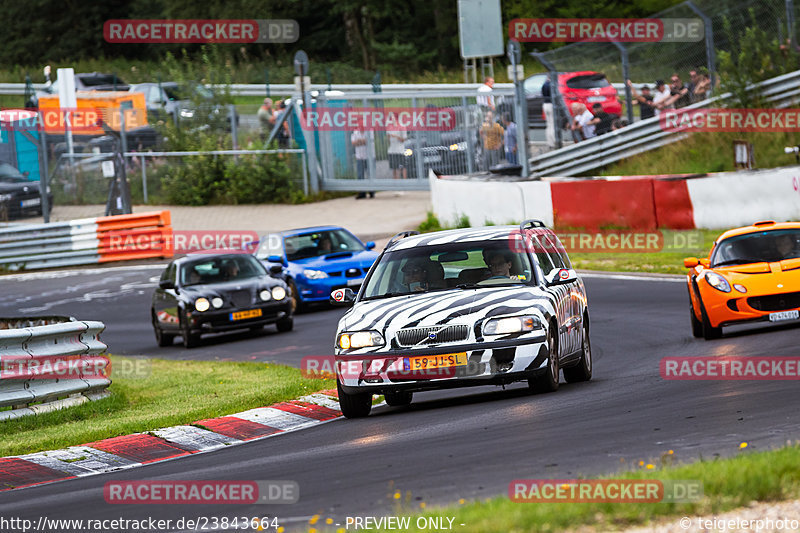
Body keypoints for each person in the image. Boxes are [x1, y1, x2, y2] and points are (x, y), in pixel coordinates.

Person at [351, 129, 375, 199]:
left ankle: (371, 191)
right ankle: (362, 192)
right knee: (360, 175)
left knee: (370, 174)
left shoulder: (370, 131)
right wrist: (362, 141)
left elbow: (368, 141)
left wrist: (359, 142)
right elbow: (353, 143)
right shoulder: (355, 132)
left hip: (369, 157)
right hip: (359, 157)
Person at [542, 78, 556, 148]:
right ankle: (554, 141)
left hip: (545, 104)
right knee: (552, 124)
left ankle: (549, 142)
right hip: (551, 104)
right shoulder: (552, 84)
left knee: (548, 124)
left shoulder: (544, 84)